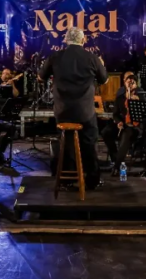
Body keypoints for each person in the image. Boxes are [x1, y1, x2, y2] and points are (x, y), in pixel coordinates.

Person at [38, 27, 109, 189]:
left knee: (66, 142)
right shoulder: (92, 58)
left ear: (65, 40)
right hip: (85, 111)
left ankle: (66, 178)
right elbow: (104, 81)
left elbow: (40, 77)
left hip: (63, 111)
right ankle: (92, 180)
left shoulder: (55, 57)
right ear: (83, 40)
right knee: (89, 142)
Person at [102, 73, 141, 175]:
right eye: (129, 82)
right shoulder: (120, 97)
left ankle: (117, 166)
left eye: (133, 83)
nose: (130, 85)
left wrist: (135, 99)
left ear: (136, 84)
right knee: (106, 132)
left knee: (126, 136)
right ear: (124, 83)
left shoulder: (140, 94)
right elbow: (115, 114)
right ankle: (116, 159)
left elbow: (144, 113)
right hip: (123, 124)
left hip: (134, 126)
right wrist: (119, 122)